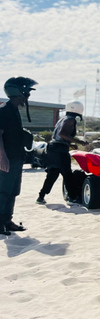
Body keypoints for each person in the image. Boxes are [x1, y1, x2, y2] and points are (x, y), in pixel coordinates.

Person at [0, 77, 37, 235]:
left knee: (14, 190)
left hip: (17, 156)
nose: (27, 95)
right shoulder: (4, 110)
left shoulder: (14, 109)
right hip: (7, 158)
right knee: (3, 191)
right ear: (17, 92)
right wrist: (2, 157)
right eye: (26, 91)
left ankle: (7, 221)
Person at [36, 101, 87, 205]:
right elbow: (62, 134)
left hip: (52, 148)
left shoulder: (62, 119)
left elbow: (58, 137)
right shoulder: (71, 120)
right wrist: (79, 141)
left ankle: (41, 197)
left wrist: (69, 144)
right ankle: (72, 198)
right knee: (67, 173)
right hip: (60, 151)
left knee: (52, 174)